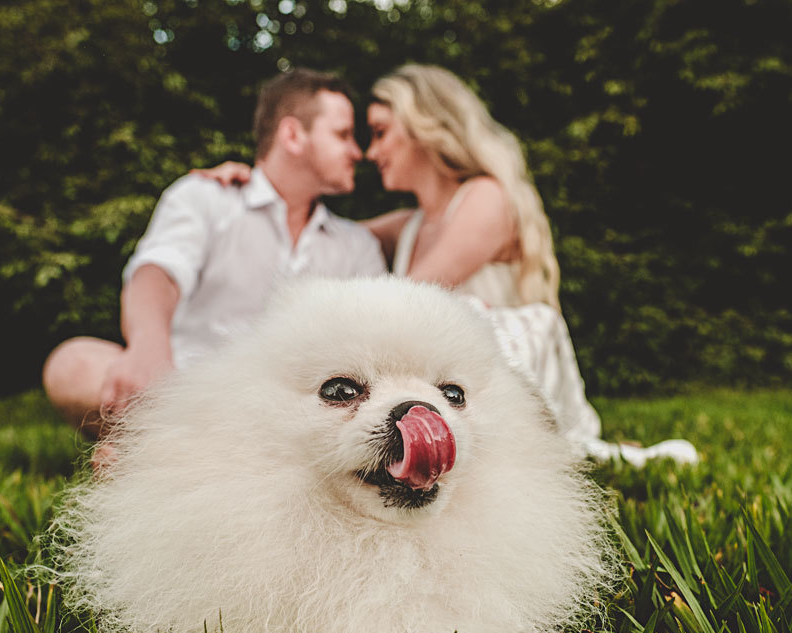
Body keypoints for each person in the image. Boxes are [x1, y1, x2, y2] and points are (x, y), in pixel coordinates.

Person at [201, 65, 698, 467]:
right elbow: (321, 228)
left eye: (380, 133)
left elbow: (412, 307)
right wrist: (258, 186)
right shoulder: (410, 224)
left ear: (426, 129)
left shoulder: (486, 198)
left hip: (494, 374)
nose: (371, 152)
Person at [42, 68, 386, 437]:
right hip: (181, 390)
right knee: (72, 363)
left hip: (297, 413)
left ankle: (153, 449)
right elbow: (157, 273)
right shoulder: (205, 197)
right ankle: (177, 439)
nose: (357, 152)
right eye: (342, 135)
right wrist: (147, 346)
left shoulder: (356, 245)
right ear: (292, 135)